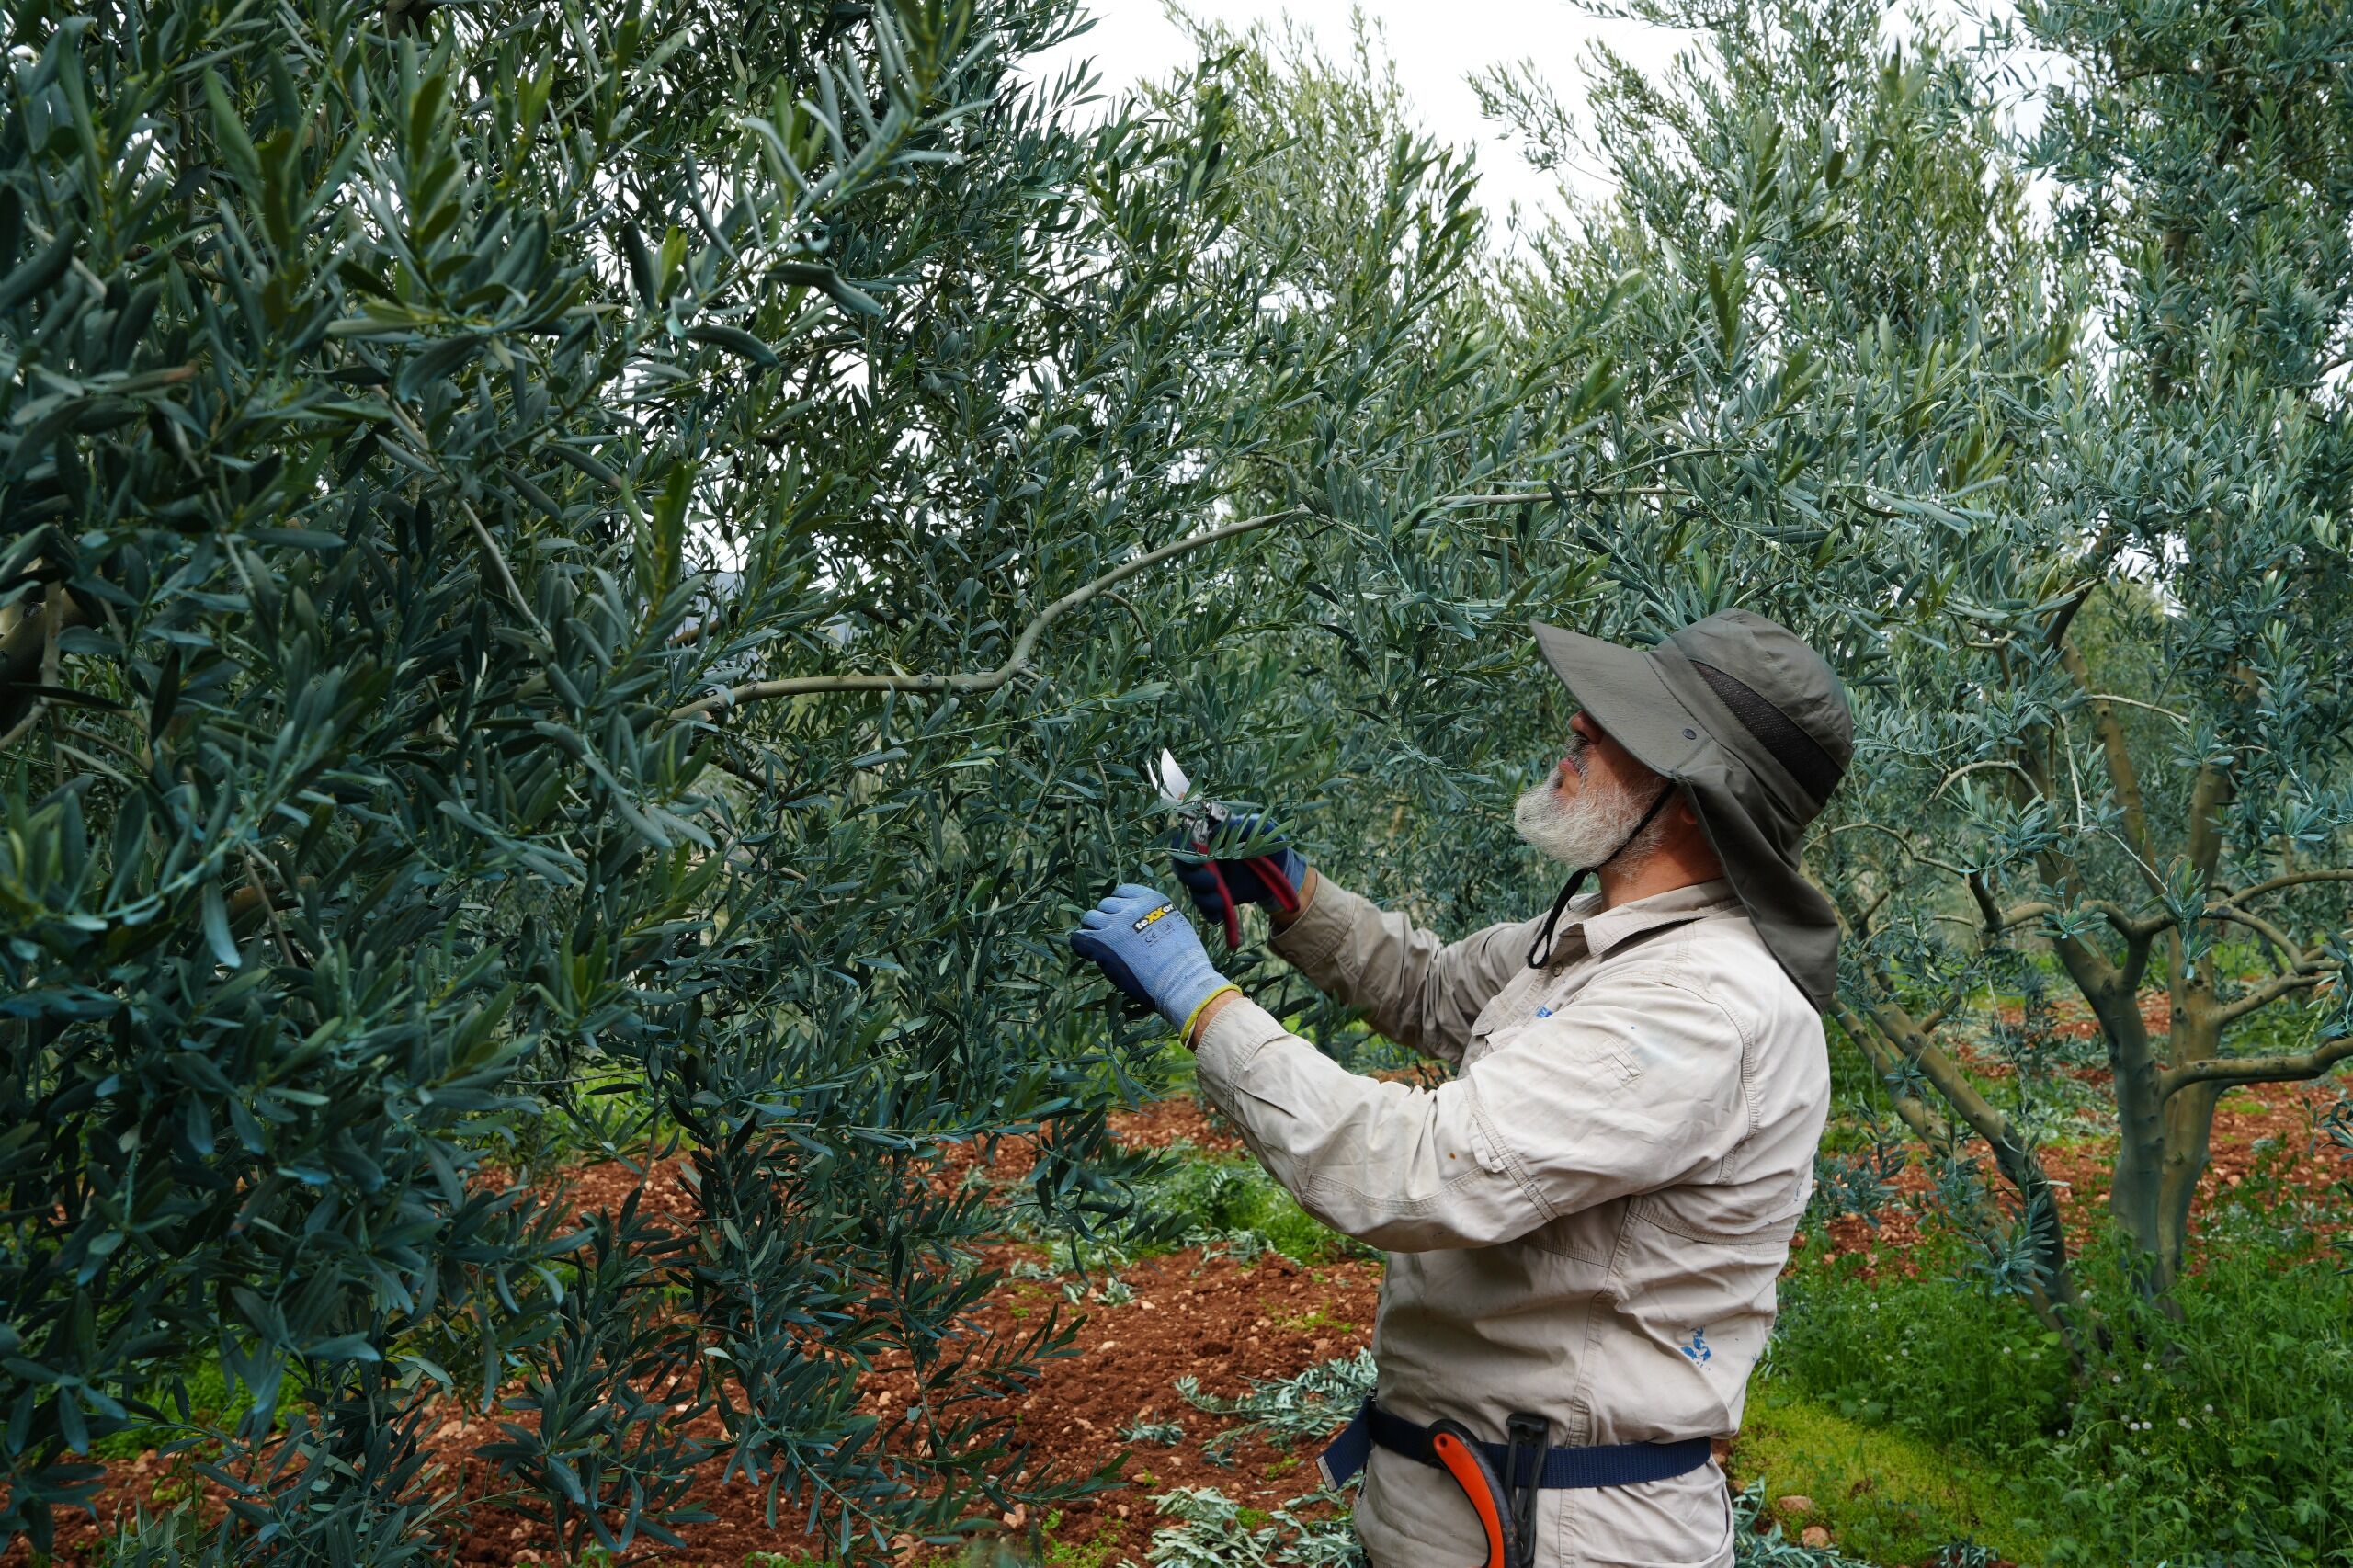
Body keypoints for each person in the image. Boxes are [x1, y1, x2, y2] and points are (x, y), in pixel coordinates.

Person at [1069, 609, 1852, 1568]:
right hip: (1477, 1502)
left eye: (1620, 725)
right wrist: (1292, 893)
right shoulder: (1601, 943)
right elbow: (1435, 987)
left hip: (1555, 1533)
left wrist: (1201, 1001)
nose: (1579, 725)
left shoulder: (1694, 1005)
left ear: (1693, 793)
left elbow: (1414, 1168)